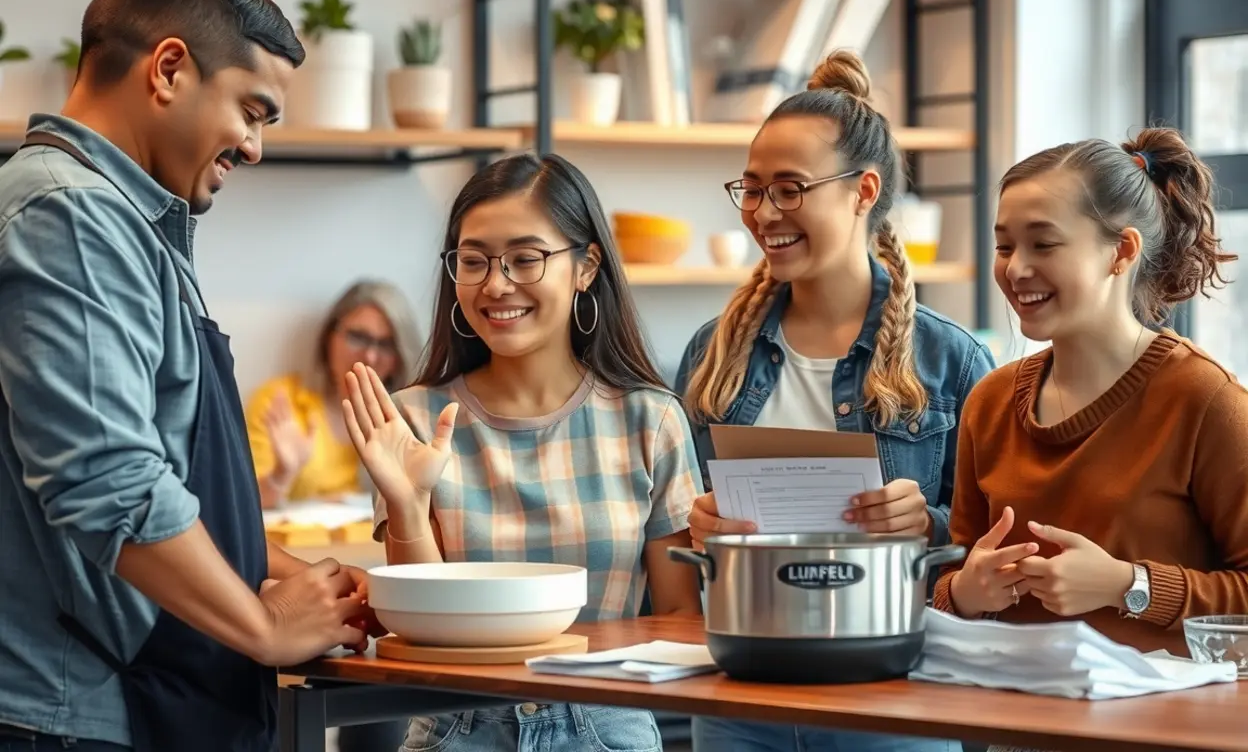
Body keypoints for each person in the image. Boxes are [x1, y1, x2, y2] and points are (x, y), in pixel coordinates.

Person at [0, 0, 380, 752]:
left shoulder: (128, 224)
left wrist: (279, 572)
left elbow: (163, 468)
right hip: (69, 719)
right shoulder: (69, 216)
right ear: (169, 68)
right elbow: (104, 477)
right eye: (253, 110)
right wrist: (264, 626)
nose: (254, 147)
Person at [674, 49, 993, 752]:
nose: (764, 213)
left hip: (897, 704)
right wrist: (695, 525)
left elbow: (996, 544)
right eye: (752, 189)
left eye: (790, 189)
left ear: (863, 190)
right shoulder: (712, 354)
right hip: (739, 701)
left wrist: (931, 524)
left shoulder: (950, 360)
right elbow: (677, 526)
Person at [343, 152, 703, 751]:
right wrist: (407, 505)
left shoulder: (652, 419)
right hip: (455, 728)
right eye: (474, 260)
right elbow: (424, 627)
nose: (496, 284)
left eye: (525, 259)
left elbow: (677, 622)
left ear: (586, 266)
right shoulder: (413, 419)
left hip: (607, 727)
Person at [930, 127, 1248, 752]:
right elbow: (952, 573)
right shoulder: (989, 403)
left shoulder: (1205, 401)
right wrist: (966, 592)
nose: (1016, 269)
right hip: (1011, 733)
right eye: (1003, 246)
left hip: (1168, 737)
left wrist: (1126, 585)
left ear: (1120, 251)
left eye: (1043, 244)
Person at [247, 279, 422, 508]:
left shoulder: (412, 415)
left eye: (386, 344)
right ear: (328, 337)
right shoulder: (280, 402)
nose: (370, 356)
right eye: (358, 337)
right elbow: (247, 507)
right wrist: (282, 473)